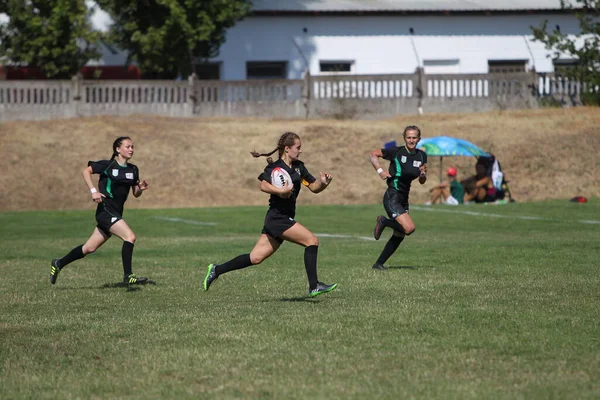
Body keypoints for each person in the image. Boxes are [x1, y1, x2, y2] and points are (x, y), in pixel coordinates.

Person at [202, 131, 338, 297]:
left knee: (255, 258)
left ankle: (216, 269)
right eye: (298, 147)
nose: (300, 151)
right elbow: (263, 185)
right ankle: (314, 285)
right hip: (277, 218)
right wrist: (281, 191)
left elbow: (314, 187)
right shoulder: (274, 168)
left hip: (280, 218)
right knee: (312, 241)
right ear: (287, 149)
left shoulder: (299, 167)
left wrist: (324, 184)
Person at [50, 136, 150, 285]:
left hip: (116, 212)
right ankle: (128, 276)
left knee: (89, 248)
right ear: (117, 149)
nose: (131, 149)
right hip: (105, 210)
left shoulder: (133, 169)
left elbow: (135, 193)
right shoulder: (107, 165)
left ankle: (58, 263)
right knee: (130, 237)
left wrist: (140, 188)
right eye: (127, 146)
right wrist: (93, 191)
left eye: (132, 147)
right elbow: (86, 171)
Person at [370, 125, 428, 270]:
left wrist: (422, 175)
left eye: (414, 137)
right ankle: (383, 221)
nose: (411, 140)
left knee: (400, 234)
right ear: (404, 138)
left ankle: (378, 264)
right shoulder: (396, 151)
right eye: (409, 137)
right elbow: (373, 154)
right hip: (393, 195)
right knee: (409, 228)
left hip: (404, 197)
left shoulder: (422, 156)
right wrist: (380, 171)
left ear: (419, 139)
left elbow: (422, 181)